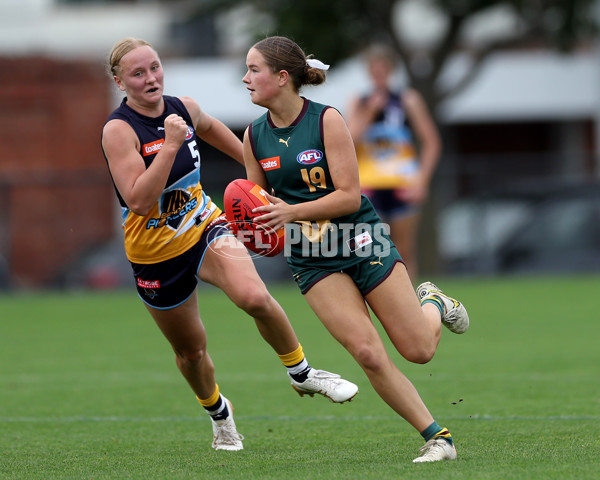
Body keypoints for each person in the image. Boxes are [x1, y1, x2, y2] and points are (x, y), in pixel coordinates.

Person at [100, 37, 359, 452]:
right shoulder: (118, 130)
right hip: (155, 255)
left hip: (205, 227)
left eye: (154, 67)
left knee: (254, 296)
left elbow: (225, 138)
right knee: (191, 352)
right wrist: (169, 146)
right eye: (138, 73)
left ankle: (302, 372)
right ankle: (219, 413)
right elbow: (139, 200)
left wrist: (260, 171)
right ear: (119, 81)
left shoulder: (183, 108)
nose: (150, 78)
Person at [241, 35, 469, 463]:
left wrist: (292, 213)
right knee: (366, 352)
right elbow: (257, 204)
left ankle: (434, 301)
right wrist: (253, 228)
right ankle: (438, 437)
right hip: (311, 259)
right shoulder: (253, 136)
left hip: (362, 240)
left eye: (254, 70)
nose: (245, 78)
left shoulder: (327, 120)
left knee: (418, 351)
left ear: (282, 77)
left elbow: (349, 195)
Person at [346, 44, 442, 280]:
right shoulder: (359, 101)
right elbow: (348, 141)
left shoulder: (408, 100)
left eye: (383, 69)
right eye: (374, 69)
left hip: (402, 182)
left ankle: (411, 307)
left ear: (391, 70)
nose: (379, 74)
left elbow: (431, 142)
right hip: (369, 185)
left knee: (405, 251)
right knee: (370, 250)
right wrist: (369, 112)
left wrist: (422, 180)